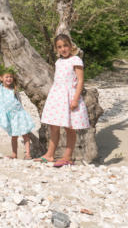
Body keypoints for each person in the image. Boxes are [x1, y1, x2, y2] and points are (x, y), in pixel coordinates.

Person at [35, 34, 90, 167]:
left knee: (69, 128)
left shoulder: (75, 60)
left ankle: (67, 157)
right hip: (57, 96)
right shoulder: (58, 62)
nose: (63, 49)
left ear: (71, 46)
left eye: (65, 46)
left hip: (69, 96)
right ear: (56, 49)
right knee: (54, 126)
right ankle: (49, 155)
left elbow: (80, 80)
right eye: (59, 47)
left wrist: (75, 99)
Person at [0, 70, 35, 159]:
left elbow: (18, 101)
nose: (9, 79)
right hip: (10, 116)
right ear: (1, 78)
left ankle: (28, 154)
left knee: (25, 134)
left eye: (10, 77)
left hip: (19, 113)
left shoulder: (14, 89)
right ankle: (14, 154)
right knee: (14, 136)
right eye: (6, 77)